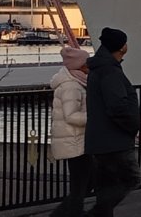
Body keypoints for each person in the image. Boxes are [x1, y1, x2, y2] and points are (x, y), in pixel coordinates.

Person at [85, 27, 140, 217]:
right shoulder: (110, 71)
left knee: (106, 184)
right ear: (122, 47)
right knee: (130, 178)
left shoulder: (99, 68)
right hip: (114, 139)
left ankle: (101, 213)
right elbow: (117, 106)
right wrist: (133, 126)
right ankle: (96, 214)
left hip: (100, 138)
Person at [49, 46, 91, 217]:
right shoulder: (72, 86)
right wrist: (94, 117)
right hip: (75, 141)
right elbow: (71, 116)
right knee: (81, 183)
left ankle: (68, 213)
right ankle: (68, 213)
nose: (89, 66)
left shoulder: (74, 82)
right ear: (79, 66)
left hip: (73, 140)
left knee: (80, 183)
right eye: (86, 63)